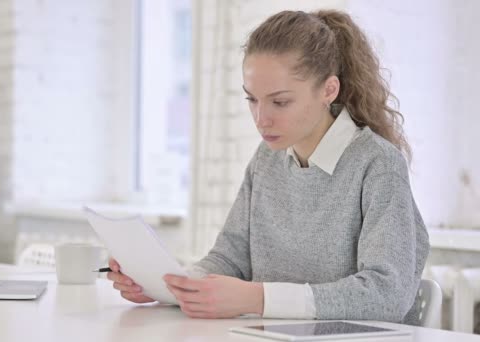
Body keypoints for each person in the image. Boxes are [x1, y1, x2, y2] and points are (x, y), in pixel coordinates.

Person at [107, 9, 429, 325]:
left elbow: (386, 295)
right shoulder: (268, 158)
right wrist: (169, 287)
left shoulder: (377, 164)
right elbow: (229, 259)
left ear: (329, 90)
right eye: (252, 100)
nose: (262, 119)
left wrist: (258, 299)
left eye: (280, 102)